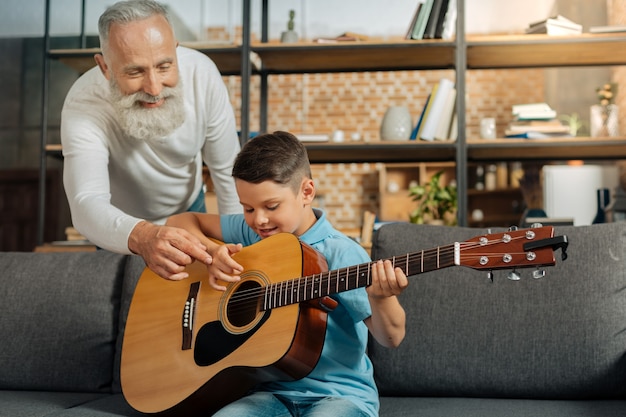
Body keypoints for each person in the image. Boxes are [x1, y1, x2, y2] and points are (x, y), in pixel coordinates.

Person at [166, 131, 409, 417]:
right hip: (267, 392)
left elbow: (391, 338)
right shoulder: (252, 233)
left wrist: (381, 299)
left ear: (306, 192)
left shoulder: (343, 254)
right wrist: (210, 253)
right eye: (248, 208)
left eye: (271, 206)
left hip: (339, 396)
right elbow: (180, 221)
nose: (259, 219)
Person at [61, 0, 241, 280]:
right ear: (105, 67)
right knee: (126, 315)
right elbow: (86, 203)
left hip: (189, 212)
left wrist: (241, 248)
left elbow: (228, 171)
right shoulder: (83, 103)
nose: (154, 88)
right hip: (120, 225)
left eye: (164, 66)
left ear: (176, 51)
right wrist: (142, 235)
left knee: (198, 309)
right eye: (135, 71)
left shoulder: (203, 76)